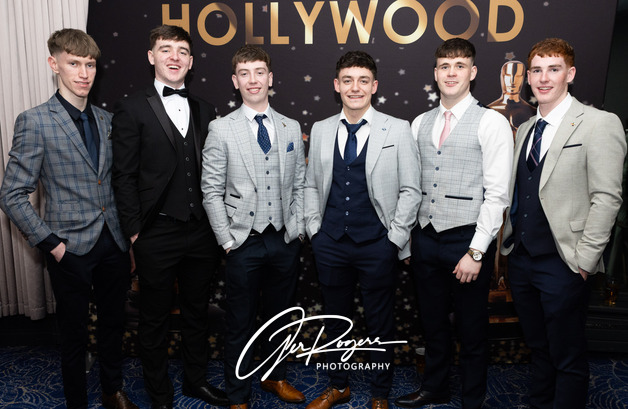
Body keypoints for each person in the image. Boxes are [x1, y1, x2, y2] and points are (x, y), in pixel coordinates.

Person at [0, 29, 137, 409]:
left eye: (89, 64)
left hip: (113, 243)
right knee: (74, 333)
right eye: (74, 63)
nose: (83, 73)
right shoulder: (35, 121)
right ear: (54, 64)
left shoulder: (109, 120)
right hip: (68, 249)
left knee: (113, 326)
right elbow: (11, 193)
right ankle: (76, 401)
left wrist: (127, 239)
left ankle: (112, 390)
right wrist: (52, 245)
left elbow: (116, 184)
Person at [500, 38, 626, 409]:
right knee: (538, 346)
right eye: (537, 70)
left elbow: (607, 198)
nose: (543, 78)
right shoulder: (526, 129)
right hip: (522, 259)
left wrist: (585, 261)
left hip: (566, 262)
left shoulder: (599, 123)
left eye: (553, 69)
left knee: (567, 354)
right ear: (528, 77)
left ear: (569, 74)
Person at [111, 25, 227, 409]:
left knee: (197, 314)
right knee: (154, 320)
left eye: (182, 51)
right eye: (166, 49)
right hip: (155, 233)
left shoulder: (206, 110)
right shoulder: (131, 108)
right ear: (151, 57)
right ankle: (159, 394)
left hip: (202, 233)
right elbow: (123, 176)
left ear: (191, 61)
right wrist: (134, 233)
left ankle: (196, 382)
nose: (174, 57)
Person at [395, 38, 513, 409]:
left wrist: (476, 252)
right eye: (445, 66)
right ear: (435, 73)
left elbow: (497, 195)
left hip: (467, 239)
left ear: (472, 73)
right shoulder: (419, 123)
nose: (451, 72)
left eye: (459, 66)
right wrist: (408, 241)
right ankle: (435, 387)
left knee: (471, 327)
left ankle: (473, 399)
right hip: (425, 239)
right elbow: (410, 186)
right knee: (432, 323)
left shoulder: (491, 122)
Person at [304, 50, 422, 409]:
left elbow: (411, 189)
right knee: (334, 321)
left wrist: (394, 240)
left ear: (374, 86)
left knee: (380, 323)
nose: (355, 87)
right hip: (330, 243)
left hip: (377, 244)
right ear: (336, 85)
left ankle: (379, 394)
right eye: (348, 80)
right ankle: (338, 387)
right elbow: (310, 185)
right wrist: (315, 232)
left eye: (363, 80)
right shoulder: (321, 129)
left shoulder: (397, 128)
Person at [201, 45, 306, 409]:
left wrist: (298, 229)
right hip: (242, 241)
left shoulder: (290, 126)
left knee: (280, 318)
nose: (253, 80)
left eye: (259, 72)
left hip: (284, 239)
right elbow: (210, 190)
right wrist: (226, 240)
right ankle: (238, 394)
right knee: (240, 322)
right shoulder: (221, 129)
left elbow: (301, 183)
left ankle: (275, 376)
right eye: (244, 73)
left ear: (270, 77)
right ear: (235, 81)